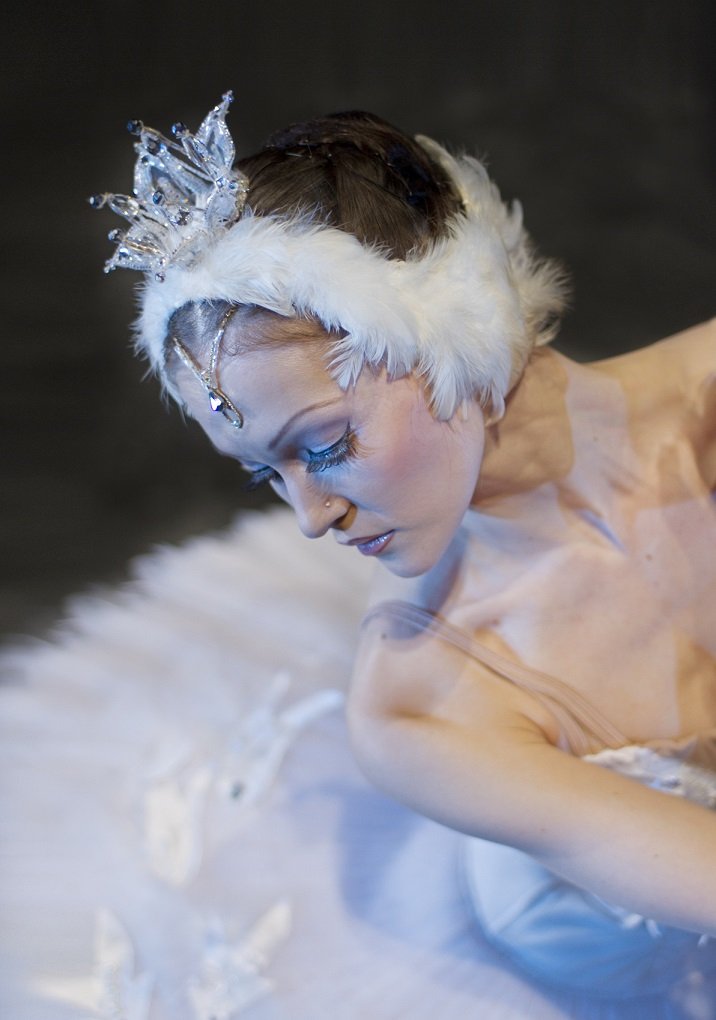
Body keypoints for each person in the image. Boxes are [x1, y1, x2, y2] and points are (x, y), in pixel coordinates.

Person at [66, 91, 716, 1004]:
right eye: (265, 474)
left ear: (452, 332)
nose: (311, 517)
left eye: (325, 444)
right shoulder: (418, 703)